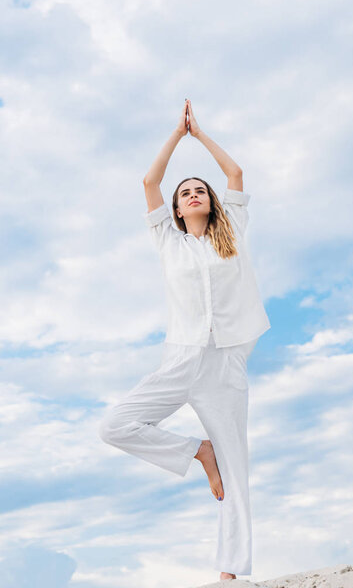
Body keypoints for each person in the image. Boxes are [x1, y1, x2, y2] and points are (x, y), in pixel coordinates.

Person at [98, 99, 271, 581]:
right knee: (114, 425)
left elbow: (234, 171)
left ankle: (231, 574)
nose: (194, 193)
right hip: (181, 358)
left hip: (224, 368)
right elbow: (149, 182)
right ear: (175, 208)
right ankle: (198, 451)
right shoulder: (168, 242)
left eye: (201, 189)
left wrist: (203, 135)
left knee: (238, 473)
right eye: (186, 192)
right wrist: (178, 134)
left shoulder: (233, 230)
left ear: (213, 201)